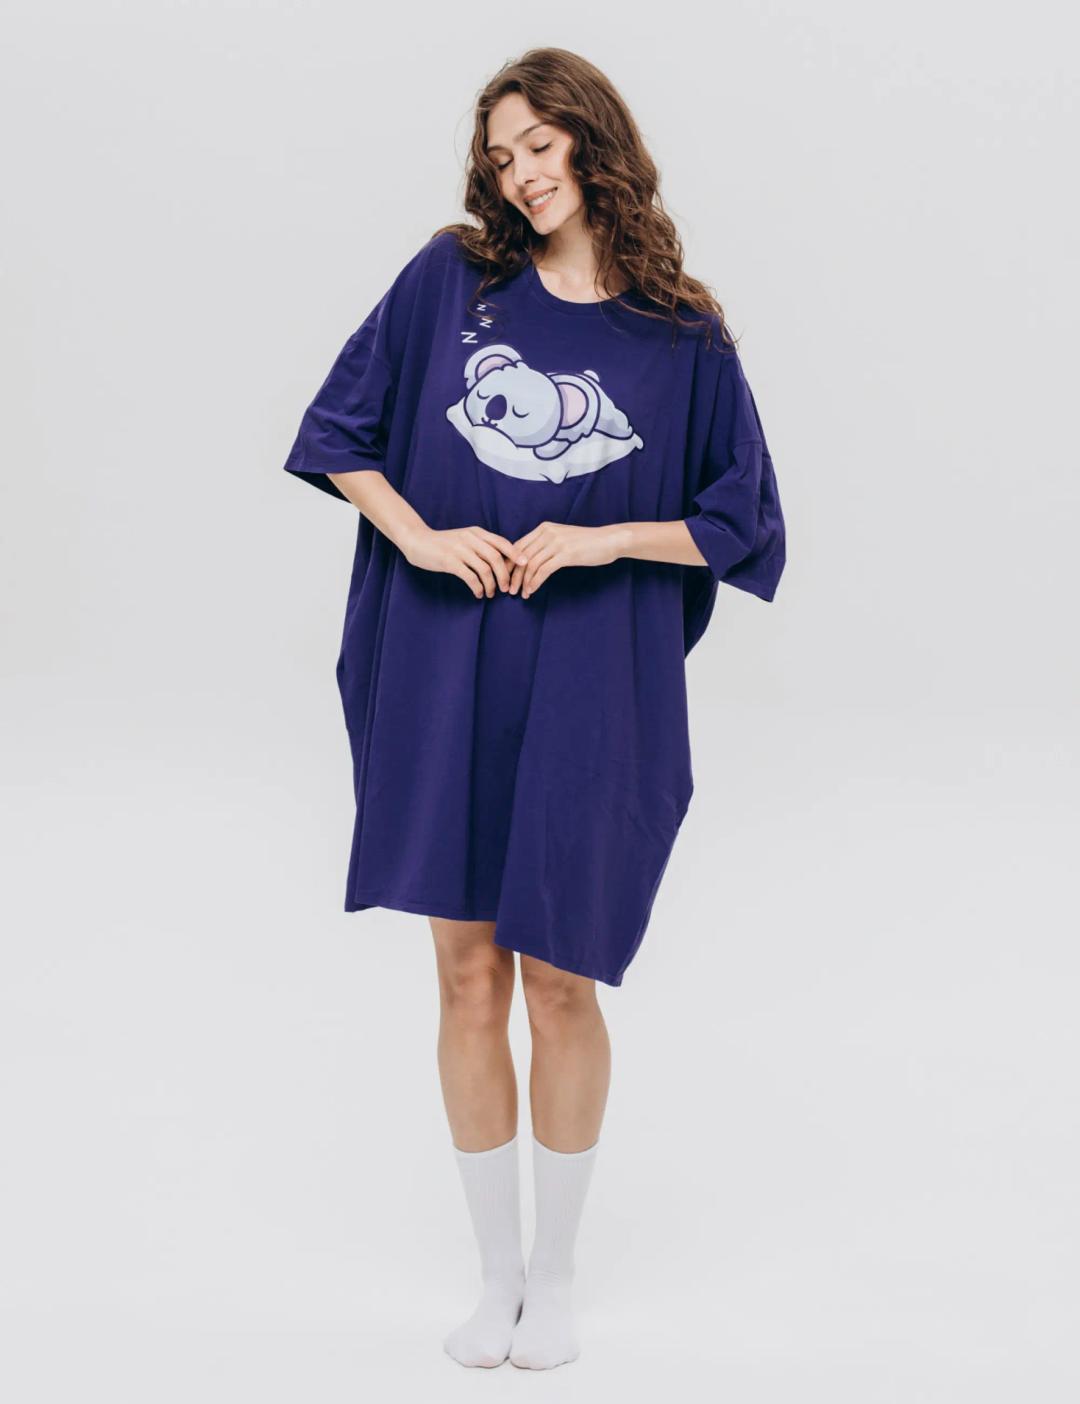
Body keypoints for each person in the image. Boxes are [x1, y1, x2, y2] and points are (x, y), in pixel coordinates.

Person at [281, 47, 786, 1370]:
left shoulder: (681, 336)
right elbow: (339, 433)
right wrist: (425, 537)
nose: (521, 173)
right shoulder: (452, 279)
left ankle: (554, 1276)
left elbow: (739, 521)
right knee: (465, 972)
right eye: (502, 156)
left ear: (593, 140)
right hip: (442, 660)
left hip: (590, 681)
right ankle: (494, 1274)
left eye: (541, 145)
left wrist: (602, 537)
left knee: (560, 977)